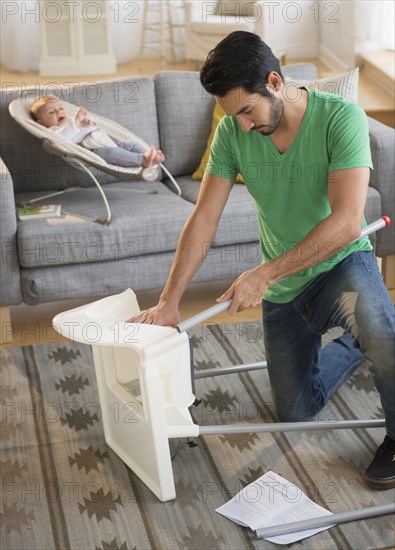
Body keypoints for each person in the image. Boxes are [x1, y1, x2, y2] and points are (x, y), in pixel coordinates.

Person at [129, 31, 395, 489]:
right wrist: (170, 300)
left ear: (274, 81)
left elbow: (348, 221)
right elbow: (203, 220)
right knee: (295, 410)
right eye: (233, 116)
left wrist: (262, 273)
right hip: (286, 286)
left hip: (340, 266)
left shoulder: (340, 118)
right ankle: (355, 345)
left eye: (247, 111)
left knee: (383, 336)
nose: (243, 125)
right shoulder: (232, 131)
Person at [31, 95, 165, 168]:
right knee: (113, 153)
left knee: (130, 143)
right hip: (94, 153)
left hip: (106, 142)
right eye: (51, 112)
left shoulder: (72, 120)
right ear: (41, 122)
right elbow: (62, 139)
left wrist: (88, 124)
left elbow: (94, 129)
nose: (58, 112)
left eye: (60, 108)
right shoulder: (53, 131)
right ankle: (141, 159)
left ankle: (148, 156)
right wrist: (77, 123)